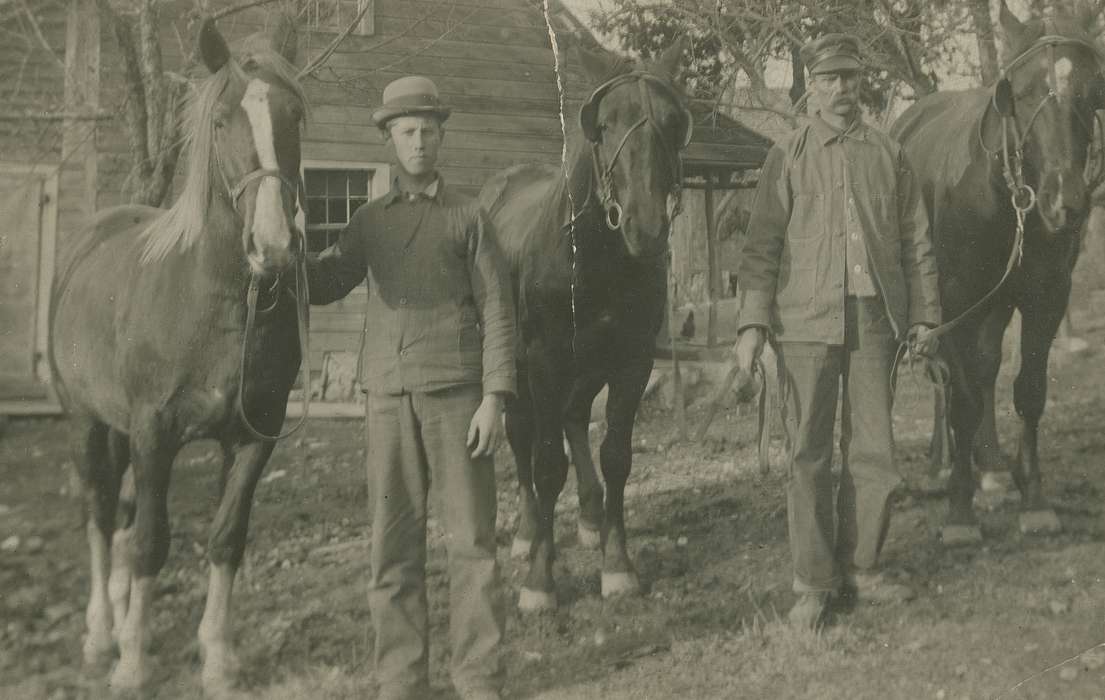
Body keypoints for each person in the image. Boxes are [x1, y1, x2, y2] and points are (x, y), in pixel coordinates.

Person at [306, 76, 515, 700]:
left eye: (428, 132)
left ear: (442, 137)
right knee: (391, 546)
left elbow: (500, 310)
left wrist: (495, 397)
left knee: (472, 544)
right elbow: (327, 282)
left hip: (457, 400)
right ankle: (400, 680)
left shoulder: (469, 216)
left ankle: (478, 676)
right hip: (388, 401)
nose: (418, 143)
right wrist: (285, 252)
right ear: (389, 141)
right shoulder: (368, 221)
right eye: (406, 133)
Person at [734, 34, 941, 630]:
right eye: (829, 78)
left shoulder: (889, 154)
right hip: (803, 326)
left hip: (876, 321)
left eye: (850, 77)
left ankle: (865, 567)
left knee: (874, 449)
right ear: (811, 87)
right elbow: (760, 249)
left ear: (860, 82)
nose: (841, 89)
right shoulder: (788, 156)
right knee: (808, 452)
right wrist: (751, 323)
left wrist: (924, 314)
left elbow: (915, 240)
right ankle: (814, 582)